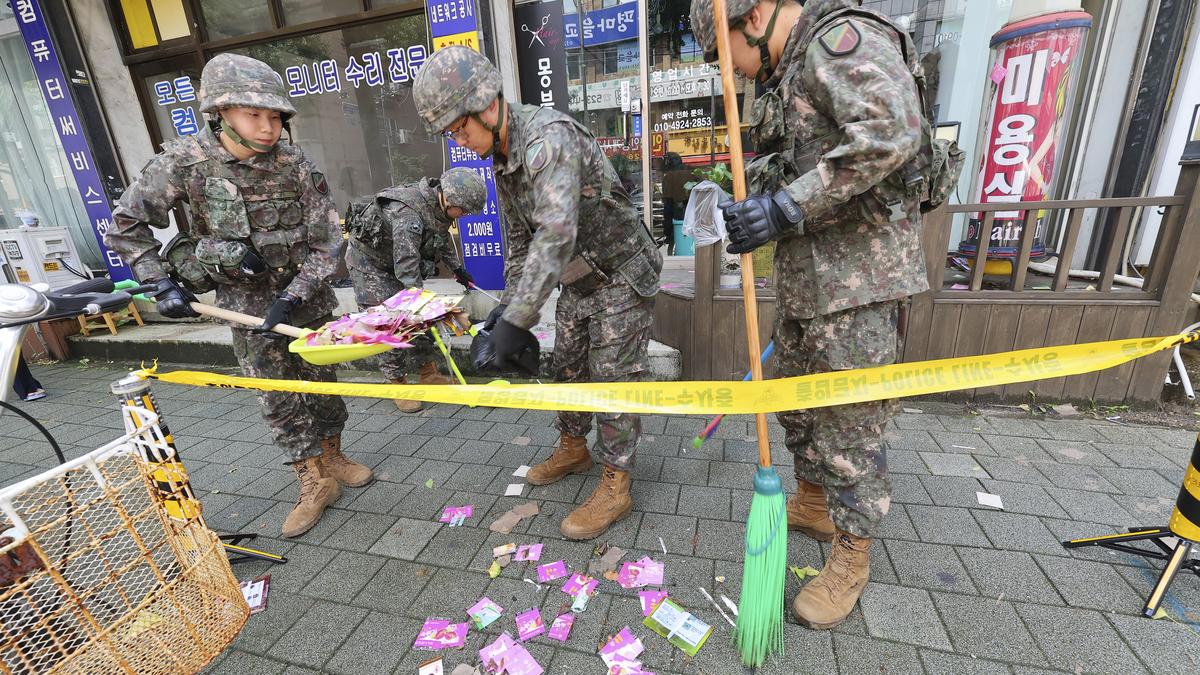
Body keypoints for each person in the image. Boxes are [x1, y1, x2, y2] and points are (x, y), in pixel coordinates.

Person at [690, 0, 929, 629]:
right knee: (798, 402)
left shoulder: (838, 42)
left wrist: (784, 207)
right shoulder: (788, 68)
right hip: (805, 279)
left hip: (859, 279)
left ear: (755, 15)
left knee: (851, 424)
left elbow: (892, 131)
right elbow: (801, 158)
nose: (733, 72)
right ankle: (814, 503)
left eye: (727, 56)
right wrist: (750, 200)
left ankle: (853, 553)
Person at [106, 53, 373, 538]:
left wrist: (293, 296)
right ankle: (312, 481)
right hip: (242, 306)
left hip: (305, 301)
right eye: (254, 114)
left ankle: (333, 457)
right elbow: (127, 225)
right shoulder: (185, 163)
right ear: (221, 113)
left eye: (275, 116)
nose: (268, 127)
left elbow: (327, 242)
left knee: (323, 383)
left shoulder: (296, 163)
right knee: (277, 395)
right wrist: (159, 282)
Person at [413, 46, 662, 541]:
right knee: (567, 365)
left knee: (611, 379)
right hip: (577, 278)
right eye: (451, 135)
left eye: (460, 129)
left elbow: (555, 234)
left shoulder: (548, 140)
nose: (460, 142)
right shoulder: (502, 158)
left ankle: (616, 481)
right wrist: (506, 307)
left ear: (486, 104)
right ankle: (573, 447)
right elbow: (522, 242)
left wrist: (517, 321)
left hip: (620, 272)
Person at [345, 168, 486, 412]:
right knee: (388, 323)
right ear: (449, 199)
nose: (463, 216)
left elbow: (439, 237)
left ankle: (428, 373)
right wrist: (424, 304)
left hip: (397, 259)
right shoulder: (408, 214)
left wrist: (457, 270)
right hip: (370, 264)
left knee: (418, 316)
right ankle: (397, 384)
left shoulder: (437, 204)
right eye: (462, 210)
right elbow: (407, 270)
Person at [660, 152, 690, 255]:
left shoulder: (669, 177)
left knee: (675, 243)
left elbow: (668, 202)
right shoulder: (690, 172)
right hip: (690, 212)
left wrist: (667, 229)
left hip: (676, 213)